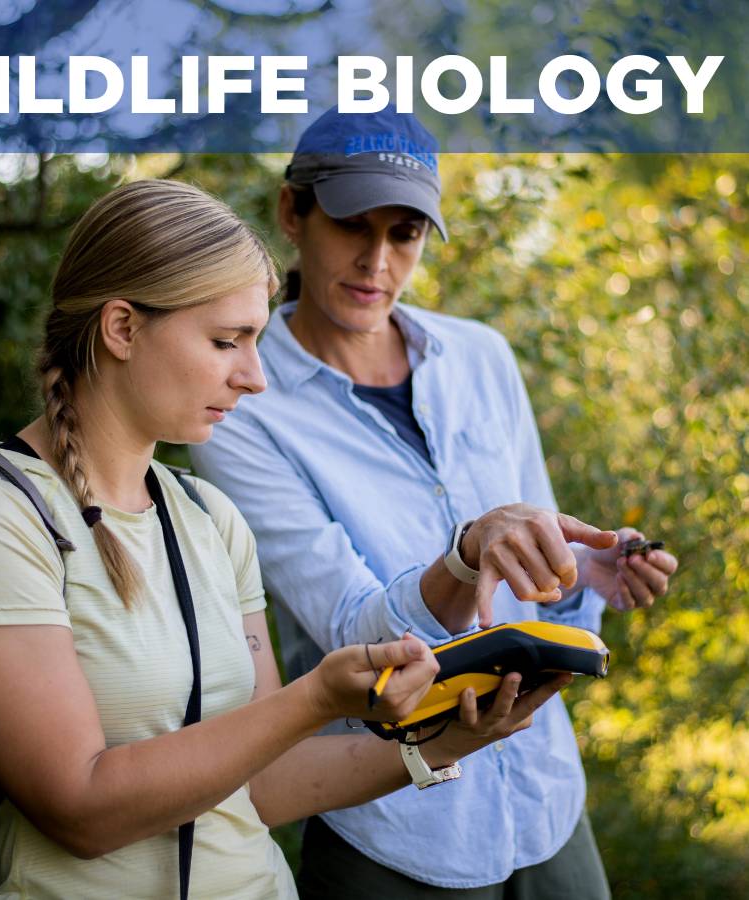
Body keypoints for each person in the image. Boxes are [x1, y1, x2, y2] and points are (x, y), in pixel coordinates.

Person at [0, 179, 569, 900]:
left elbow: (266, 786)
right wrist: (314, 699)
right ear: (121, 329)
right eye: (226, 342)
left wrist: (445, 742)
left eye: (256, 342)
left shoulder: (208, 517)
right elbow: (80, 808)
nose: (254, 378)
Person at [190, 108, 680, 898]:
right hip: (395, 826)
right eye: (353, 223)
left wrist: (589, 570)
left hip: (545, 797)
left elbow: (536, 572)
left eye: (406, 233)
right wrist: (466, 552)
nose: (376, 260)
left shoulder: (481, 358)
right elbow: (351, 629)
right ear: (293, 213)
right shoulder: (243, 410)